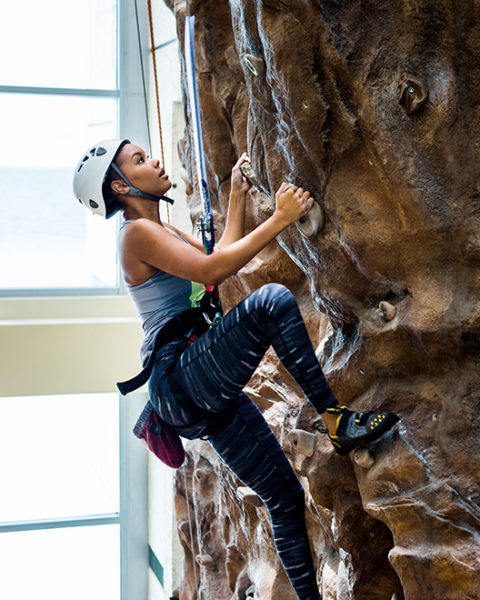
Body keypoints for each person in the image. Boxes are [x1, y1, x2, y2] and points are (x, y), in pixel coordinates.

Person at [73, 139, 399, 600]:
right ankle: (337, 421)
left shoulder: (157, 229)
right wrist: (281, 218)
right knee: (272, 304)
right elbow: (216, 265)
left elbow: (210, 269)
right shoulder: (134, 234)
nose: (156, 161)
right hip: (180, 379)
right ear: (121, 186)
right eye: (141, 161)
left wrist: (236, 194)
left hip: (194, 390)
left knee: (283, 496)